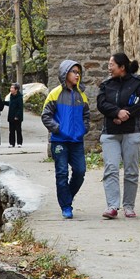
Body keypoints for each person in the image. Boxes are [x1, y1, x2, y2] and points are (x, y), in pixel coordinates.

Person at [96, 53, 140, 219]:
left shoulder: (138, 84)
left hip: (132, 131)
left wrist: (126, 114)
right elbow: (101, 104)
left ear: (122, 67)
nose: (109, 68)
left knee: (131, 171)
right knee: (111, 168)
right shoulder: (106, 85)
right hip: (110, 133)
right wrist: (116, 113)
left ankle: (129, 206)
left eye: (112, 64)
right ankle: (112, 206)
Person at [41, 60, 90, 219]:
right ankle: (66, 206)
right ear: (65, 74)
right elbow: (46, 116)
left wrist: (84, 129)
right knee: (61, 173)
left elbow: (86, 116)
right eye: (74, 72)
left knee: (80, 171)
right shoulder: (54, 94)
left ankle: (66, 197)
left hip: (76, 142)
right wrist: (58, 129)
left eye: (78, 72)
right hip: (59, 141)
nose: (77, 75)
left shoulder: (81, 95)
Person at [6, 82, 24, 147]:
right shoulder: (11, 96)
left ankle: (19, 143)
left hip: (17, 117)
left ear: (16, 90)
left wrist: (17, 116)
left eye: (12, 88)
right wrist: (4, 103)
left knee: (18, 130)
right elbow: (10, 104)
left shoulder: (19, 97)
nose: (10, 89)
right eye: (11, 88)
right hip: (11, 116)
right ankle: (11, 143)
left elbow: (20, 108)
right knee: (11, 130)